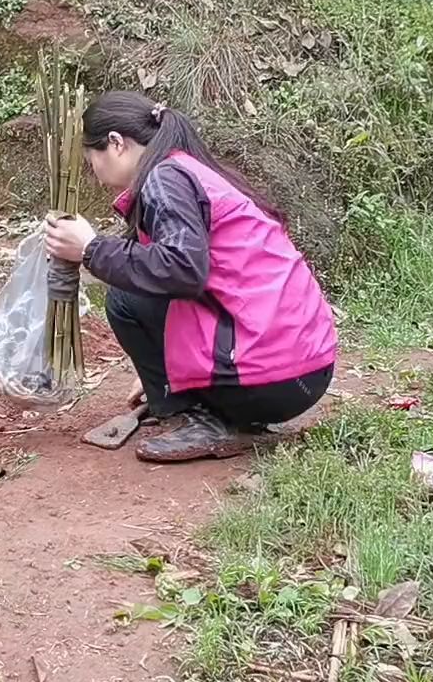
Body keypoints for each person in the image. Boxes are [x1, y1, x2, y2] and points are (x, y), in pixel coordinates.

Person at [43, 91, 337, 462]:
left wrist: (90, 249)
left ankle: (202, 420)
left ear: (116, 143)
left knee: (124, 300)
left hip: (270, 377)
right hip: (303, 368)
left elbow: (181, 269)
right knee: (133, 293)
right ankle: (194, 399)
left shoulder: (165, 179)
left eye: (92, 160)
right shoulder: (185, 169)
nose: (96, 176)